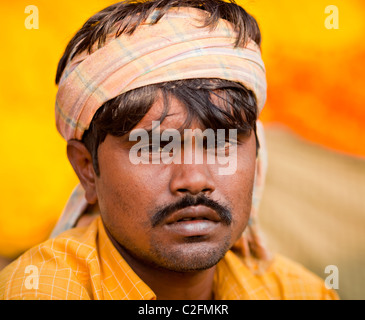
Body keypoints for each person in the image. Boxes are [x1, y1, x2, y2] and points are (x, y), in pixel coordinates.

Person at [0, 0, 338, 300]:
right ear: (87, 167)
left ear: (258, 154)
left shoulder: (300, 292)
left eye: (222, 143)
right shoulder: (39, 291)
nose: (194, 179)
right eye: (155, 147)